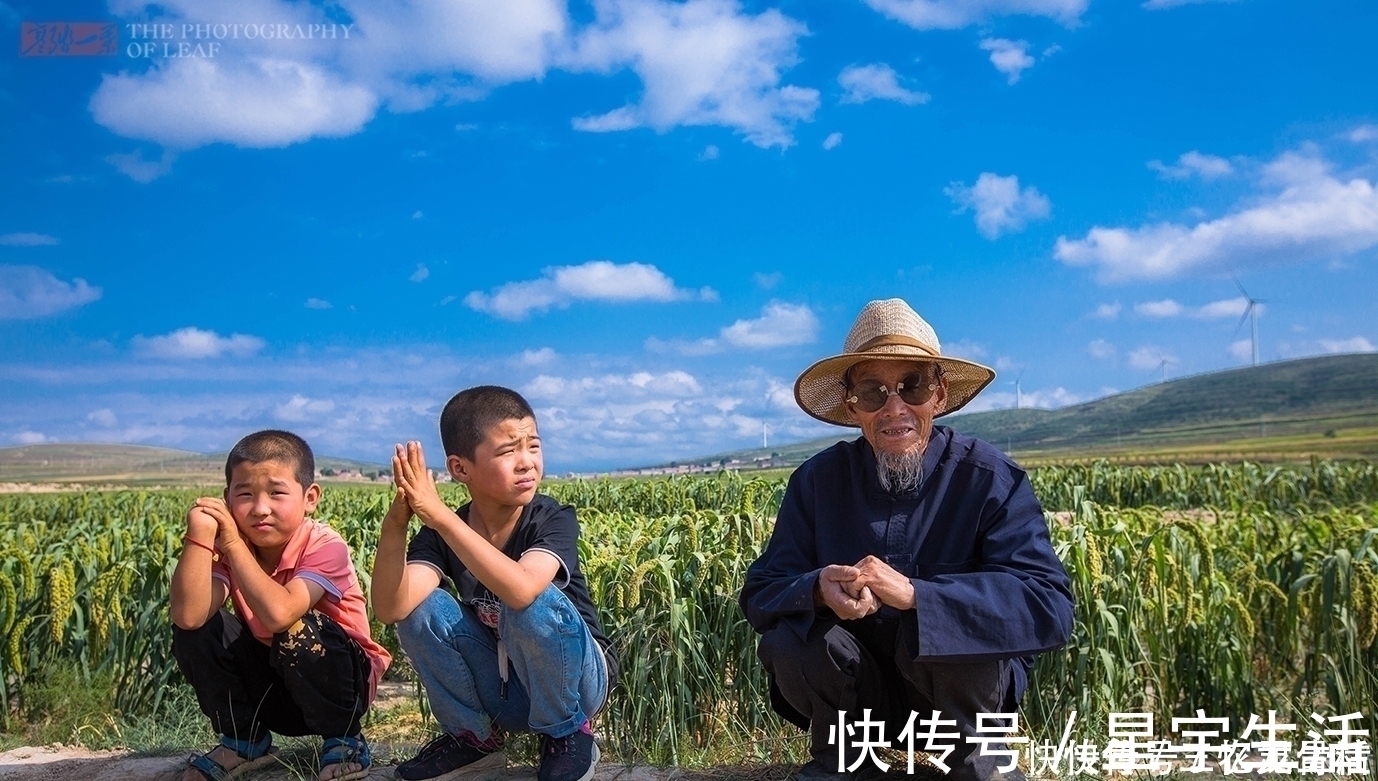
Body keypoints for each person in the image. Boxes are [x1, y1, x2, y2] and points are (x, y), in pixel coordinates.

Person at [739, 299, 1074, 781]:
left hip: (962, 705)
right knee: (791, 638)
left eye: (911, 386)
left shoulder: (989, 479)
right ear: (853, 406)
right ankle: (843, 762)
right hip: (857, 697)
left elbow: (1049, 606)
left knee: (956, 629)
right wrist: (816, 589)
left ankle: (973, 765)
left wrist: (922, 598)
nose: (894, 408)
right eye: (874, 393)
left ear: (938, 394)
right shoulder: (817, 482)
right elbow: (761, 593)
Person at [372, 385, 616, 781]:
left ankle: (568, 735)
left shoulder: (550, 518)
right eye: (508, 451)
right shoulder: (440, 535)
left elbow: (521, 590)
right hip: (504, 689)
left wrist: (440, 517)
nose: (527, 463)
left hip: (576, 685)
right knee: (423, 608)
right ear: (461, 469)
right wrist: (397, 523)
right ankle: (474, 740)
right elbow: (391, 608)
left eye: (533, 446)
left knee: (529, 603)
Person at [170, 429, 392, 781]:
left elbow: (280, 615)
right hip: (274, 691)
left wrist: (232, 544)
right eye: (244, 494)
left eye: (276, 493)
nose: (260, 509)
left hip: (339, 686)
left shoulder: (323, 545)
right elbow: (188, 616)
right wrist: (199, 534)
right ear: (227, 499)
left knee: (299, 626)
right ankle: (245, 740)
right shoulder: (231, 547)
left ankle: (344, 739)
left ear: (310, 497)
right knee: (201, 628)